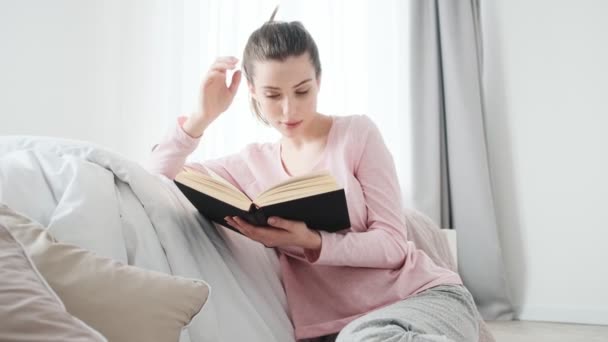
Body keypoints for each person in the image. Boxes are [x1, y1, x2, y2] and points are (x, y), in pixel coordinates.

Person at [148, 16, 481, 342]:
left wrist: (312, 241)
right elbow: (158, 175)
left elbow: (392, 245)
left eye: (302, 91)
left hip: (419, 298)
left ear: (318, 81)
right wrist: (202, 117)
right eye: (273, 95)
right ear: (252, 91)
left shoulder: (357, 135)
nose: (289, 109)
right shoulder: (250, 164)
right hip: (338, 329)